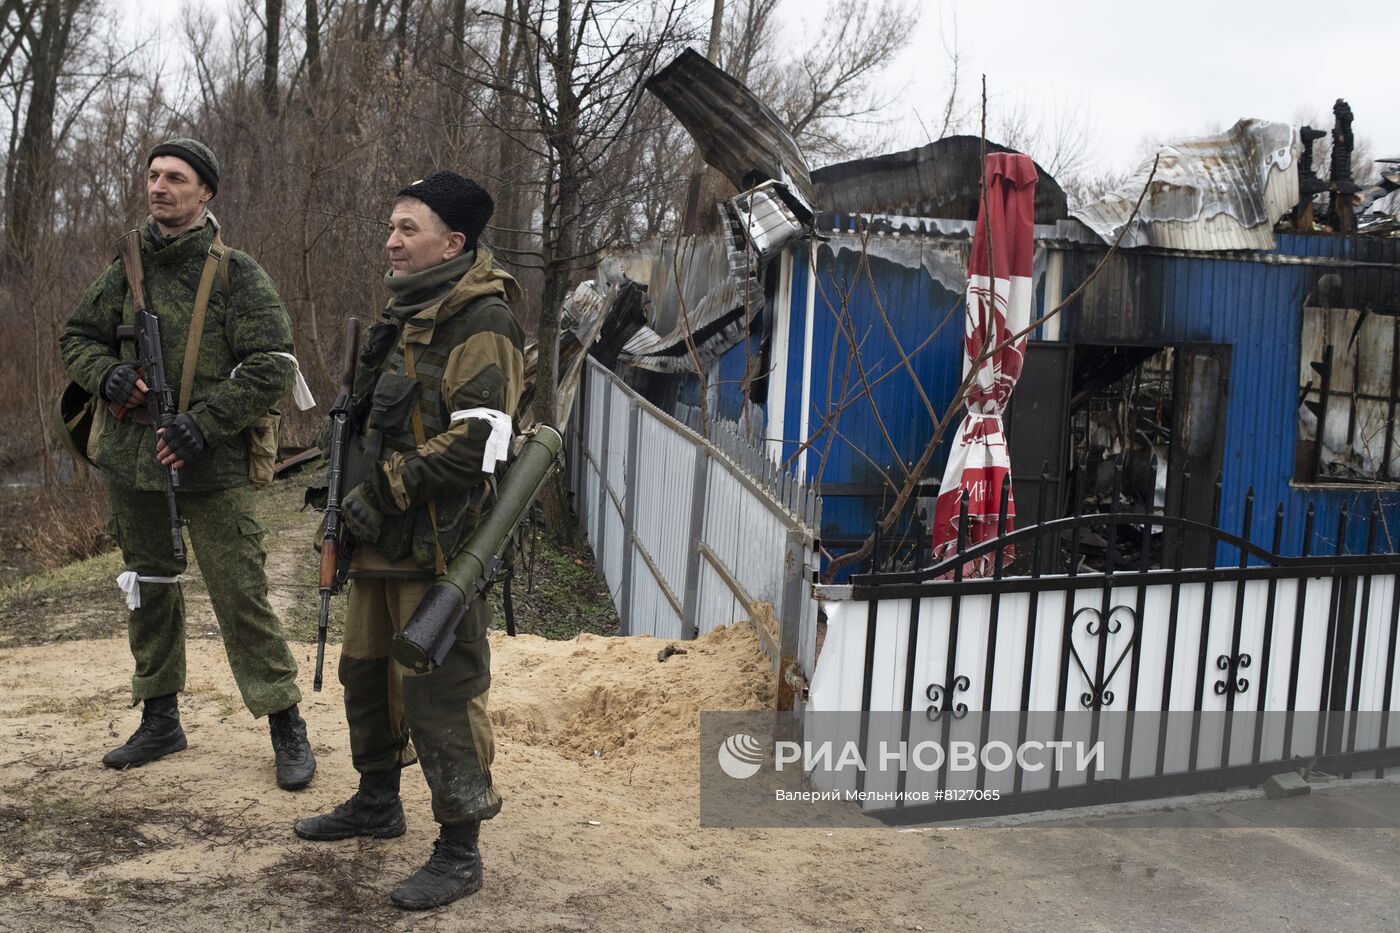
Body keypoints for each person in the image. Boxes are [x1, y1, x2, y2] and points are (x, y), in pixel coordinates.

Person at [293, 171, 525, 911]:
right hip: (380, 545)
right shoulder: (402, 315)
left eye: (408, 229)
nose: (391, 241)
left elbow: (479, 443)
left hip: (436, 550)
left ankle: (460, 849)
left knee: (441, 696)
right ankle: (375, 799)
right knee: (366, 676)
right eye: (390, 227)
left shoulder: (480, 320)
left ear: (452, 242)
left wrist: (383, 490)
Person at [59, 137, 316, 791]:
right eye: (152, 175)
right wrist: (110, 376)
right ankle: (159, 716)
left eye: (175, 177)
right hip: (133, 460)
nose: (159, 186)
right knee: (149, 588)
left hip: (212, 465)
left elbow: (273, 361)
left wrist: (204, 424)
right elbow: (76, 337)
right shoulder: (127, 264)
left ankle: (286, 723)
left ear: (205, 192)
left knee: (241, 595)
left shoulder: (236, 273)